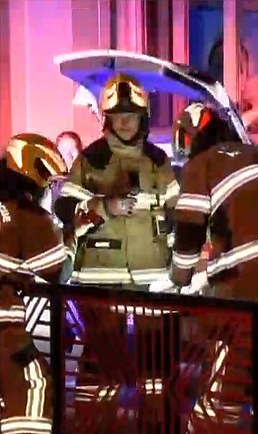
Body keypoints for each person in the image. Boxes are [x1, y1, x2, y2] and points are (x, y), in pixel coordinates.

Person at [168, 114, 258, 432]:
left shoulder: (202, 164)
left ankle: (211, 426)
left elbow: (190, 227)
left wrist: (179, 276)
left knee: (228, 345)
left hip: (250, 270)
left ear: (190, 140)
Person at [54, 73, 179, 287]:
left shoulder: (158, 160)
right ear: (107, 117)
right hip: (99, 277)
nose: (124, 121)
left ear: (143, 116)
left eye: (131, 114)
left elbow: (177, 214)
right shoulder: (91, 159)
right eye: (117, 114)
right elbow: (65, 208)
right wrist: (104, 206)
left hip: (153, 277)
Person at [0, 133, 71, 434]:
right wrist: (74, 235)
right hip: (4, 332)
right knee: (34, 384)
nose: (49, 189)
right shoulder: (27, 215)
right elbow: (60, 271)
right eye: (49, 181)